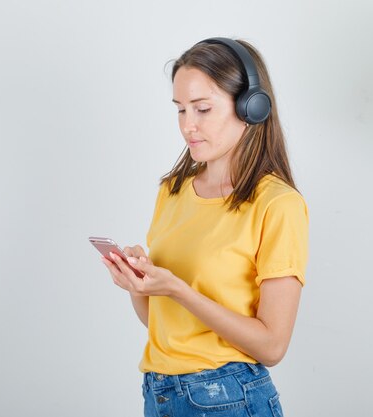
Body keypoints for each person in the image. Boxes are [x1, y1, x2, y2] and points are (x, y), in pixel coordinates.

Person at [101, 37, 309, 417]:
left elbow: (272, 346)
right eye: (180, 110)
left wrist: (180, 290)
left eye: (202, 109)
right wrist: (139, 284)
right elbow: (162, 324)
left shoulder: (278, 205)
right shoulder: (173, 191)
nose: (187, 126)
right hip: (161, 393)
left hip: (228, 396)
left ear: (252, 107)